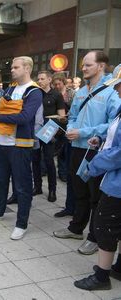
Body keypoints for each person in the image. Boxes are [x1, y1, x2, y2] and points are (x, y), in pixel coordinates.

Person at [53, 50, 121, 255]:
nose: (83, 68)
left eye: (88, 65)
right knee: (78, 191)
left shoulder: (112, 92)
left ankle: (94, 237)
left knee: (95, 196)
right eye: (83, 65)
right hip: (76, 148)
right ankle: (76, 228)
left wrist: (83, 132)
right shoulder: (81, 91)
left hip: (95, 150)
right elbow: (72, 114)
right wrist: (72, 128)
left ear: (101, 66)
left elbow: (113, 125)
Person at [0, 56, 43, 240]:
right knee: (1, 180)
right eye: (12, 67)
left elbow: (25, 118)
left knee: (22, 187)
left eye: (16, 67)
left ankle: (21, 224)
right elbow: (3, 110)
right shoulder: (11, 88)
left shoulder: (34, 92)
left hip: (20, 145)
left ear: (27, 68)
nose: (12, 70)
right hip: (2, 142)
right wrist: (0, 113)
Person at [74, 64, 121, 291]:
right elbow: (114, 135)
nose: (117, 91)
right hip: (115, 180)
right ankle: (119, 267)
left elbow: (119, 152)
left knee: (105, 225)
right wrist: (100, 140)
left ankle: (102, 276)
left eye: (119, 86)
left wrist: (95, 164)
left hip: (117, 184)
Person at [32, 71, 66, 202]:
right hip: (36, 127)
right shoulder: (36, 94)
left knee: (49, 160)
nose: (40, 81)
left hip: (49, 128)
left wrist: (54, 129)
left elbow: (62, 116)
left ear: (49, 79)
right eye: (38, 79)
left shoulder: (56, 95)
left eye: (42, 79)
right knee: (35, 159)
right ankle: (37, 186)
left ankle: (52, 190)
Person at [52, 73, 75, 182]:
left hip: (67, 123)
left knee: (64, 150)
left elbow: (75, 108)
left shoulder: (71, 93)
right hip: (55, 123)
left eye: (59, 84)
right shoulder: (53, 93)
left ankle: (63, 172)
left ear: (63, 82)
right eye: (55, 84)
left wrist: (67, 116)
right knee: (55, 148)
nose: (57, 86)